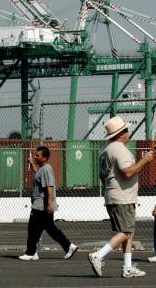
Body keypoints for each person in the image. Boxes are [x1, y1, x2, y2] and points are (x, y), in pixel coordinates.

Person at [88, 116, 154, 278]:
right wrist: (145, 160)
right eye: (125, 130)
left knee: (128, 233)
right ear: (120, 133)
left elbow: (102, 176)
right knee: (126, 231)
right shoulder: (120, 149)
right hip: (123, 197)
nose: (127, 132)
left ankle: (127, 267)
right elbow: (128, 171)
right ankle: (99, 255)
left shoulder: (105, 150)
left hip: (113, 195)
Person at [18, 146, 78, 261]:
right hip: (41, 204)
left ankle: (30, 252)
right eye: (34, 155)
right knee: (49, 229)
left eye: (37, 155)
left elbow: (49, 187)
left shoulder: (46, 169)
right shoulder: (42, 169)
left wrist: (50, 204)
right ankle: (68, 246)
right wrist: (31, 164)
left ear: (44, 157)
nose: (35, 157)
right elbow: (38, 175)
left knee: (33, 229)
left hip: (41, 205)